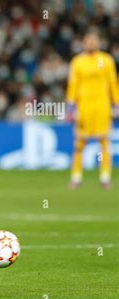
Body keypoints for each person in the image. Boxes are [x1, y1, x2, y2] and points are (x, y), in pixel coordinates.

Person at [66, 30, 119, 189]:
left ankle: (105, 177)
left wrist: (117, 103)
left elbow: (113, 83)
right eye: (88, 41)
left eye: (93, 41)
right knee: (79, 143)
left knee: (104, 142)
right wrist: (70, 106)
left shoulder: (106, 60)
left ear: (99, 43)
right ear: (83, 43)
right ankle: (76, 177)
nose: (91, 44)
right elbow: (73, 84)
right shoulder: (77, 62)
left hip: (102, 106)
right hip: (84, 107)